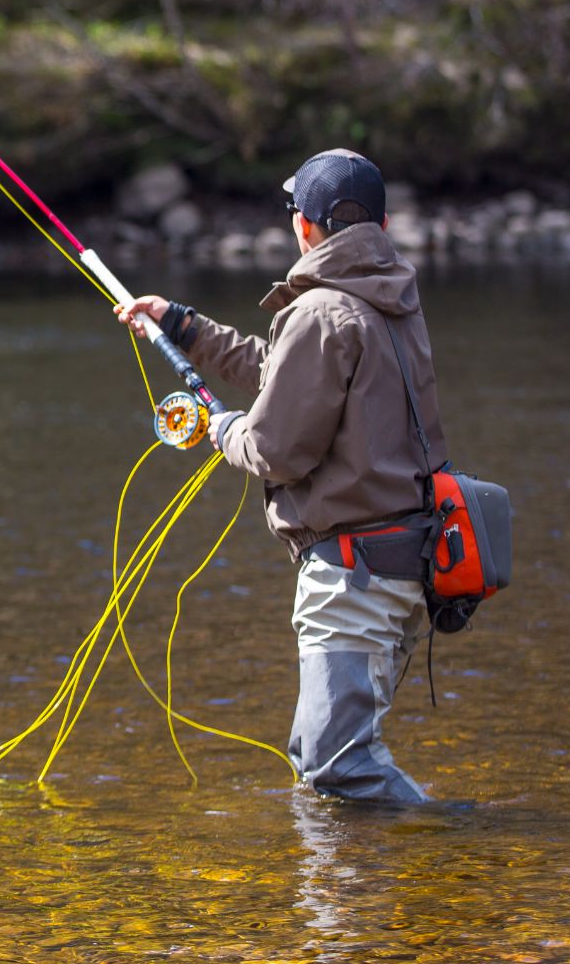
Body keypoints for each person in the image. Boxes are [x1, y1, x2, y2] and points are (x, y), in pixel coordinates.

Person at [115, 148, 449, 803]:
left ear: (305, 227)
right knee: (318, 759)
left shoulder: (324, 311)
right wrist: (182, 326)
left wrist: (218, 429)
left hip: (356, 577)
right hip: (401, 564)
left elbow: (274, 449)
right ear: (378, 225)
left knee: (337, 766)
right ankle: (347, 896)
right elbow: (292, 373)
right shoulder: (387, 299)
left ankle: (460, 846)